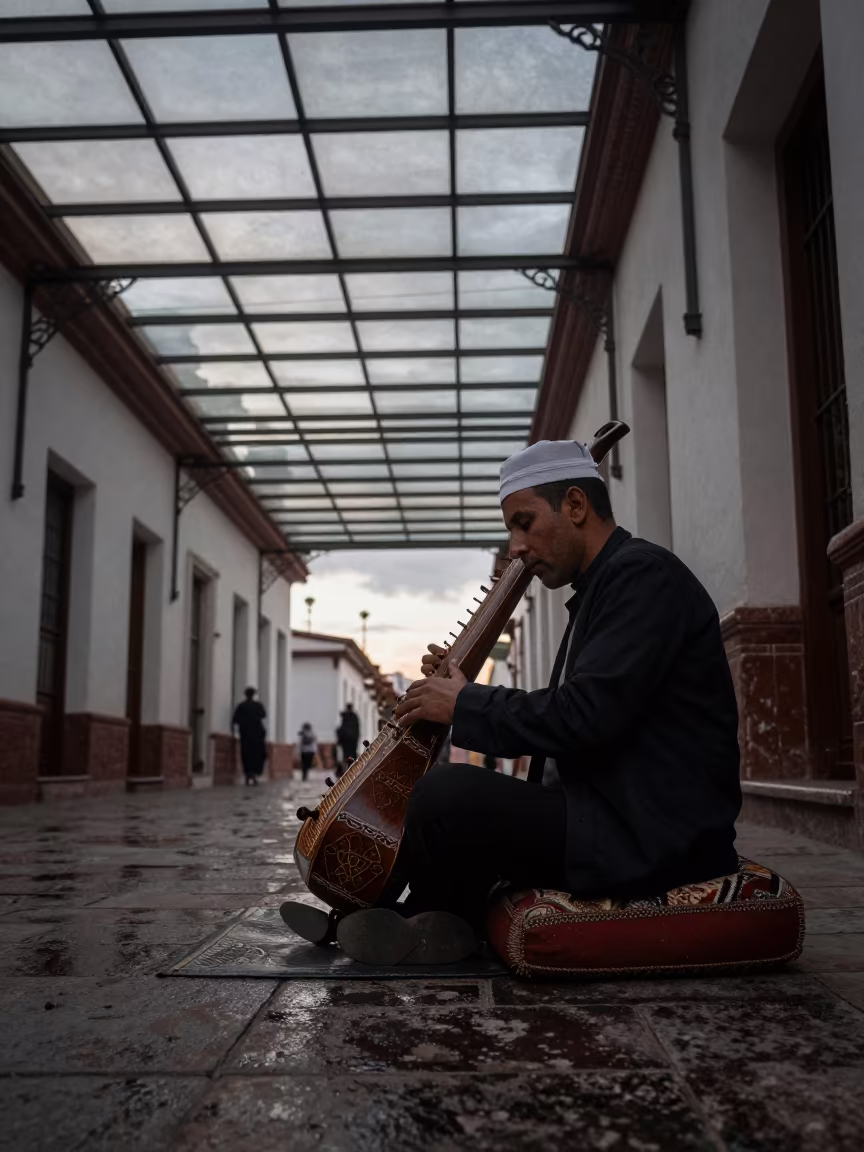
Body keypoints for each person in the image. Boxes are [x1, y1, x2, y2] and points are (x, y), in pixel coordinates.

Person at [281, 438, 741, 966]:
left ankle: (409, 919)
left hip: (655, 832)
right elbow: (585, 706)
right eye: (511, 530)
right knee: (459, 801)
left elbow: (585, 716)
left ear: (574, 505)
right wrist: (462, 695)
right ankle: (417, 919)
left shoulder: (642, 577)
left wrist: (466, 703)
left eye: (524, 522)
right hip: (617, 815)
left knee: (447, 795)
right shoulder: (605, 586)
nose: (516, 546)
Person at [231, 687, 267, 786]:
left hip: (245, 735)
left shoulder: (241, 706)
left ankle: (248, 774)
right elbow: (264, 715)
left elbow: (235, 720)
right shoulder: (258, 705)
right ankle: (254, 774)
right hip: (257, 735)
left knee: (246, 755)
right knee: (257, 755)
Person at [335, 702, 360, 777]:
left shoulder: (346, 717)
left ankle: (348, 768)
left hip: (347, 741)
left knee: (347, 755)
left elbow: (342, 729)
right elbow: (356, 729)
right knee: (350, 755)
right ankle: (349, 768)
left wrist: (339, 737)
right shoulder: (353, 717)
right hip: (351, 740)